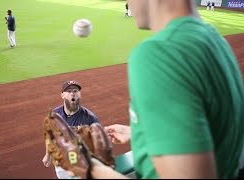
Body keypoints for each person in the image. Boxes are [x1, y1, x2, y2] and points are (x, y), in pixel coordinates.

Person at [87, 0, 244, 179]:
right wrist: (141, 132)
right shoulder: (216, 41)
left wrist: (93, 170)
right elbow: (212, 126)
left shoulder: (159, 53)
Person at [42, 80, 100, 179]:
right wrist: (47, 155)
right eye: (69, 91)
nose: (72, 93)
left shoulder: (90, 117)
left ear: (79, 94)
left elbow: (98, 142)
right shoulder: (54, 115)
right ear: (62, 95)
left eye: (75, 91)